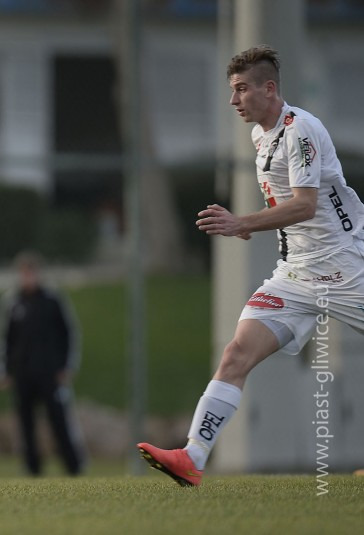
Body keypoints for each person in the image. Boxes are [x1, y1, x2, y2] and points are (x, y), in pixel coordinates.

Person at [138, 45, 364, 487]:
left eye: (242, 89)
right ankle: (191, 457)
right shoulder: (261, 135)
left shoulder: (301, 130)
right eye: (233, 90)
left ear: (270, 89)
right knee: (236, 353)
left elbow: (305, 205)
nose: (233, 100)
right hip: (296, 274)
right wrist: (253, 225)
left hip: (345, 266)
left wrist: (243, 222)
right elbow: (288, 205)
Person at [0, 251, 86, 476]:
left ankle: (73, 466)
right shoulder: (12, 302)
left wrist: (67, 366)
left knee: (58, 419)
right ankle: (32, 468)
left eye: (31, 273)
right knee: (26, 423)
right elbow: (5, 339)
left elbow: (68, 333)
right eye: (24, 273)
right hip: (22, 373)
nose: (28, 278)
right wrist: (3, 369)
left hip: (49, 372)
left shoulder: (52, 300)